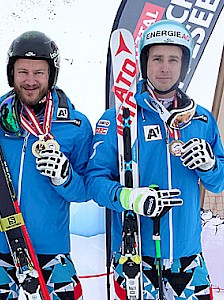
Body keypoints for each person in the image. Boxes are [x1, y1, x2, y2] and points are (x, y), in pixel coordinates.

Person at [86, 19, 224, 299]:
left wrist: (210, 166)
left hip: (187, 255)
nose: (165, 67)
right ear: (144, 62)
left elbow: (219, 182)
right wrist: (128, 198)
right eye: (157, 58)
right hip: (135, 255)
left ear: (183, 66)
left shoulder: (201, 120)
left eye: (174, 59)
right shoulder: (117, 119)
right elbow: (94, 181)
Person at [0, 30, 93, 300]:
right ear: (12, 74)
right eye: (22, 72)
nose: (30, 81)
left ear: (51, 75)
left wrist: (64, 177)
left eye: (39, 73)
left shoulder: (75, 125)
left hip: (50, 246)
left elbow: (85, 190)